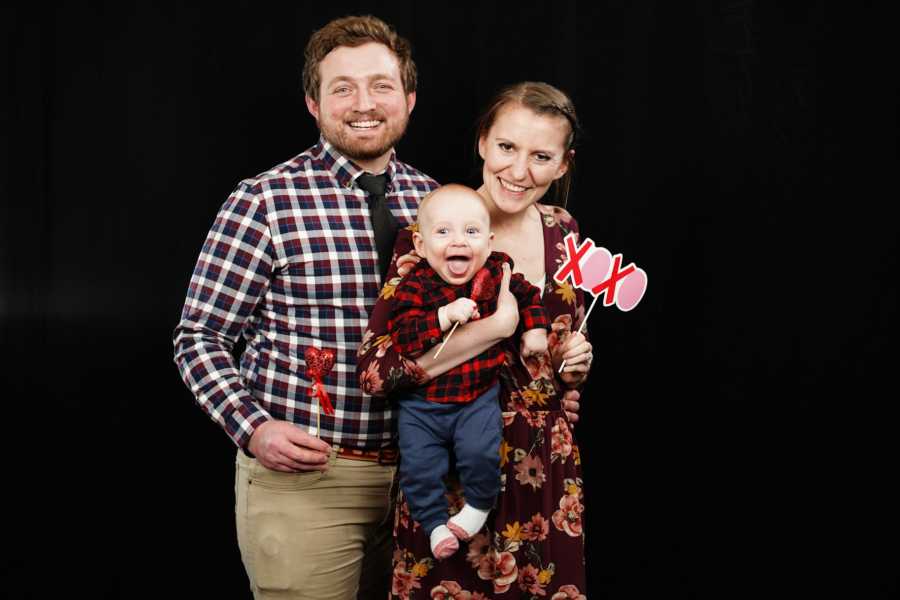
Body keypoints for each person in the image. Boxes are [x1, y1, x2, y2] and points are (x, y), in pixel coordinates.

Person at [172, 15, 451, 600]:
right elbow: (199, 337)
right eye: (342, 87)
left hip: (426, 481)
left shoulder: (439, 204)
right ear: (313, 103)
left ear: (409, 98)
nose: (364, 103)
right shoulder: (266, 201)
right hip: (310, 481)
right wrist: (254, 430)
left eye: (381, 84)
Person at [356, 82, 594, 599]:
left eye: (541, 156)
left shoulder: (564, 230)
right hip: (449, 478)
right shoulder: (440, 229)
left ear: (562, 166)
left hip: (546, 477)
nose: (518, 170)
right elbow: (377, 371)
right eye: (507, 147)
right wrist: (494, 327)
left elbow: (560, 356)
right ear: (483, 142)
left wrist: (576, 363)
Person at [388, 185, 550, 559]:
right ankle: (434, 526)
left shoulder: (497, 271)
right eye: (443, 232)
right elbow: (403, 338)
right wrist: (443, 317)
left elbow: (527, 297)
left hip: (476, 397)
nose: (458, 241)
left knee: (480, 453)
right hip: (421, 406)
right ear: (422, 243)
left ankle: (477, 506)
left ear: (489, 242)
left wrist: (535, 330)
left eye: (471, 232)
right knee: (418, 465)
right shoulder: (416, 284)